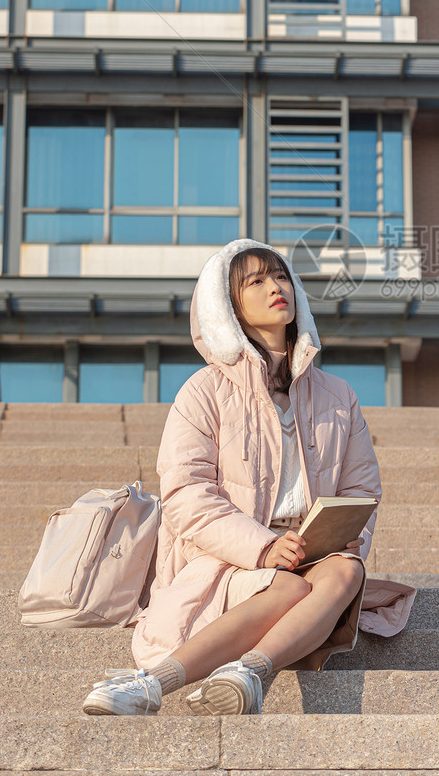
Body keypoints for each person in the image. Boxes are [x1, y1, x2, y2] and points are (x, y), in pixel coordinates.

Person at [82, 238, 416, 716]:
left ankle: (249, 673)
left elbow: (361, 491)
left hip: (311, 554)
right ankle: (149, 685)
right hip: (228, 562)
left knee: (348, 569)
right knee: (286, 586)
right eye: (255, 281)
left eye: (280, 276)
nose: (275, 287)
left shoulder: (338, 395)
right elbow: (186, 496)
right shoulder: (203, 391)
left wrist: (334, 537)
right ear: (228, 306)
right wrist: (262, 547)